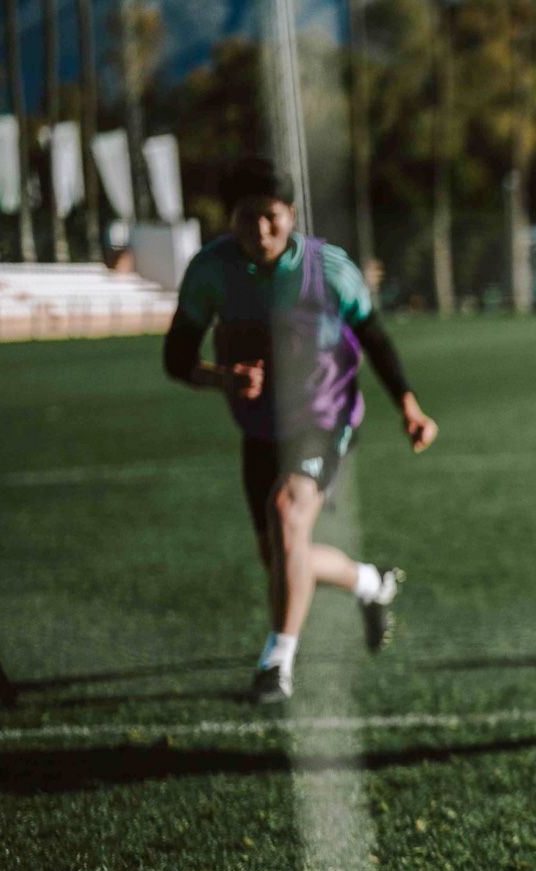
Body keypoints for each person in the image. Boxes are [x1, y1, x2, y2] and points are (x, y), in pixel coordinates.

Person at [162, 157, 437, 704]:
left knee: (288, 514)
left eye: (271, 218)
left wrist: (409, 404)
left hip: (325, 417)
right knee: (284, 558)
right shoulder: (211, 271)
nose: (260, 232)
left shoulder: (330, 269)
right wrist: (223, 379)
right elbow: (175, 357)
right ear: (230, 219)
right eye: (246, 219)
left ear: (291, 213)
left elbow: (376, 338)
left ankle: (276, 662)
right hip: (260, 428)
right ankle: (369, 583)